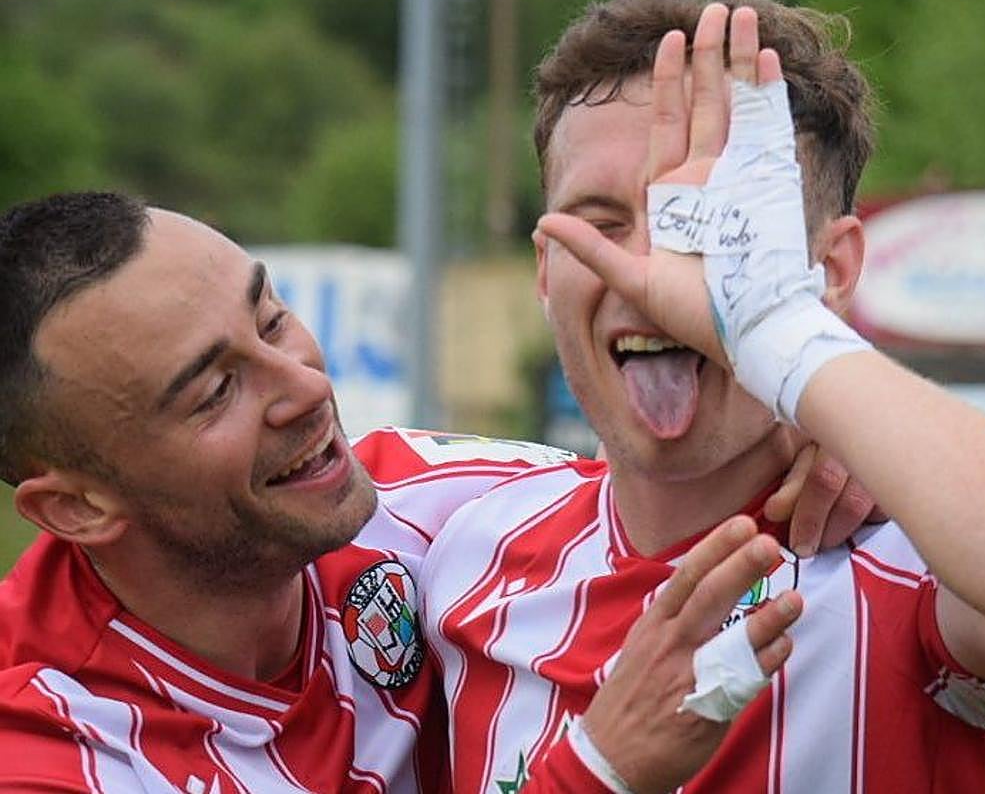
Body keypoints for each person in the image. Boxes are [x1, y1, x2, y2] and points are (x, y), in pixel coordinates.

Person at [420, 0, 985, 793]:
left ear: (835, 271)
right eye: (601, 224)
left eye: (709, 223)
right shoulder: (459, 558)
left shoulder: (937, 567)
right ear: (545, 269)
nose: (650, 274)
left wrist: (777, 329)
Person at [0, 189, 881, 791]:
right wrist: (604, 771)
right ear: (77, 507)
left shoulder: (427, 503)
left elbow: (683, 495)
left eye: (271, 320)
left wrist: (823, 432)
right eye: (215, 391)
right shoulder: (44, 750)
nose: (304, 385)